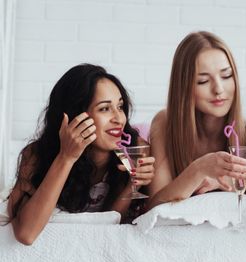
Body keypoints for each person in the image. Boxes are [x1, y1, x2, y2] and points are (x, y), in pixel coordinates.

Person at [7, 64, 155, 245]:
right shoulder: (36, 155)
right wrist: (66, 157)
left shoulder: (135, 149)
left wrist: (132, 186)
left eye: (120, 106)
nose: (119, 119)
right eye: (104, 109)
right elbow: (26, 234)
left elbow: (111, 227)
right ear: (75, 116)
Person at [148, 31, 246, 208]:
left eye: (226, 76)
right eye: (203, 81)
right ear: (184, 87)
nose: (219, 89)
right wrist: (198, 169)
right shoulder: (165, 123)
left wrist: (228, 183)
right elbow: (154, 205)